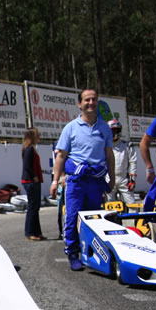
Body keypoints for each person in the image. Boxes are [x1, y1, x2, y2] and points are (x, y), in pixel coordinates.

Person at [50, 88, 115, 271]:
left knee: (95, 218)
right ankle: (72, 253)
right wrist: (55, 181)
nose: (90, 103)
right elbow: (61, 156)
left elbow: (109, 156)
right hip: (76, 182)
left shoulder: (104, 128)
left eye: (94, 100)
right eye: (87, 100)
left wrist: (112, 179)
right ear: (80, 104)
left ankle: (95, 253)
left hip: (96, 181)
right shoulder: (70, 128)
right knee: (72, 218)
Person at [21, 127, 45, 240]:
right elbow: (27, 166)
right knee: (32, 206)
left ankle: (37, 232)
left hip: (33, 180)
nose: (39, 137)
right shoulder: (29, 149)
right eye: (37, 135)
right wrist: (34, 176)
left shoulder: (31, 149)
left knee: (36, 207)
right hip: (30, 181)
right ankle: (29, 232)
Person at [106, 119, 138, 204]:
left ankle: (133, 217)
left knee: (131, 203)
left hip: (124, 178)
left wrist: (132, 180)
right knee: (109, 204)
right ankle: (112, 217)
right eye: (112, 131)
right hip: (108, 178)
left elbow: (133, 162)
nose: (114, 133)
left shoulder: (127, 145)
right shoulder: (104, 146)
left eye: (116, 130)